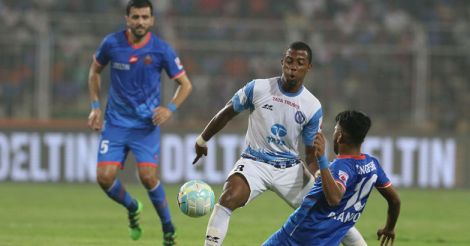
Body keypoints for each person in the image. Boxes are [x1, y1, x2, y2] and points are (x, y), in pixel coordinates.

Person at [193, 41, 365, 246]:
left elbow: (310, 154)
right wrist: (202, 139)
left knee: (331, 215)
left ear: (308, 67)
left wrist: (318, 174)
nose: (293, 66)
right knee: (228, 197)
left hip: (289, 168)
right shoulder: (258, 88)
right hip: (254, 162)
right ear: (282, 62)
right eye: (290, 61)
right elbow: (227, 112)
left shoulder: (312, 106)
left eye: (300, 63)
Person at [87, 0, 192, 245]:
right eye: (136, 17)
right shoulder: (112, 44)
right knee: (104, 178)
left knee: (147, 176)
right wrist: (94, 107)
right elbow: (94, 72)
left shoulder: (161, 49)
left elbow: (185, 84)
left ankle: (168, 228)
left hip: (145, 126)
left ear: (152, 20)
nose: (140, 22)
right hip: (115, 123)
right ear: (127, 19)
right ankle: (133, 207)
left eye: (145, 17)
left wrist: (170, 108)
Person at [263, 110, 401, 246]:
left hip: (297, 236)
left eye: (336, 130)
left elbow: (334, 198)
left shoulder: (340, 167)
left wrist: (322, 159)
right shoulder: (372, 164)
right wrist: (389, 228)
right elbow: (395, 201)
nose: (333, 134)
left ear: (340, 136)